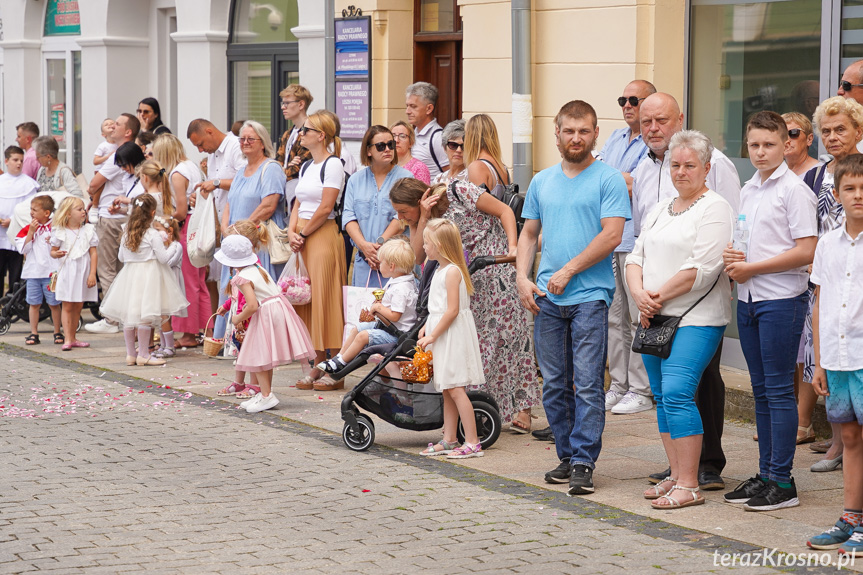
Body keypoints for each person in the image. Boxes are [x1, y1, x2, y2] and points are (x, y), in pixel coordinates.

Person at [516, 100, 630, 495]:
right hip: (547, 298)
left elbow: (612, 235)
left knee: (586, 383)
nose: (576, 138)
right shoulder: (543, 181)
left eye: (584, 131)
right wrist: (521, 277)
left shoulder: (608, 179)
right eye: (570, 131)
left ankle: (584, 460)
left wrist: (568, 270)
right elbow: (529, 234)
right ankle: (566, 455)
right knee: (554, 383)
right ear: (557, 132)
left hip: (590, 296)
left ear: (595, 133)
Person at [634, 92, 740, 491]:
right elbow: (635, 254)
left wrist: (653, 294)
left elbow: (703, 264)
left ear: (705, 168)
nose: (680, 171)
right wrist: (640, 295)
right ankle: (677, 473)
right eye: (676, 165)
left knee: (682, 391)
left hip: (695, 314)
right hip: (654, 313)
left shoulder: (715, 203)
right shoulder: (661, 203)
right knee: (664, 396)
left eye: (689, 166)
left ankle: (694, 477)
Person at [721, 111, 817, 511]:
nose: (760, 152)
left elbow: (806, 250)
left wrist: (752, 267)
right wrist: (734, 256)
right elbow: (748, 239)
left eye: (769, 145)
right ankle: (765, 474)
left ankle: (783, 481)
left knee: (779, 392)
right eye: (754, 145)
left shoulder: (794, 190)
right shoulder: (749, 188)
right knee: (761, 390)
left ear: (786, 145)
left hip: (780, 299)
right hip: (748, 299)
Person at [462, 113, 541, 432]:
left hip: (489, 258)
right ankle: (521, 408)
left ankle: (482, 401)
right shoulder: (500, 167)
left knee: (486, 334)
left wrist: (508, 244)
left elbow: (496, 211)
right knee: (515, 335)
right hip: (506, 263)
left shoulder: (476, 168)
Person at [799, 96, 863, 471]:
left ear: (858, 130)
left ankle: (844, 446)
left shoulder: (860, 175)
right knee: (823, 358)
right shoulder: (815, 175)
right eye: (826, 131)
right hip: (825, 269)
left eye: (841, 129)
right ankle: (840, 440)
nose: (833, 137)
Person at [806, 154, 863, 556]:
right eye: (850, 188)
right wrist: (820, 360)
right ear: (837, 193)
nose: (858, 195)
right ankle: (851, 517)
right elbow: (820, 301)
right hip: (838, 358)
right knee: (849, 436)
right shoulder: (827, 242)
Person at [600, 80, 655, 416]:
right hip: (611, 237)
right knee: (613, 317)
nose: (628, 105)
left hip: (636, 240)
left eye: (635, 99)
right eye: (623, 99)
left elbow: (632, 184)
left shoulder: (652, 143)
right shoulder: (616, 138)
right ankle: (618, 384)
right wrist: (613, 177)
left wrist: (609, 176)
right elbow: (610, 179)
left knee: (637, 318)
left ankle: (640, 388)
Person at [215, 234, 315, 414]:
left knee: (258, 355)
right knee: (266, 355)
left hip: (265, 313)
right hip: (277, 309)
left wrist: (237, 318)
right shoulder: (258, 268)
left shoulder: (241, 277)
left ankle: (267, 395)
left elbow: (252, 305)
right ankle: (264, 393)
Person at [287, 111, 348, 392]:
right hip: (303, 233)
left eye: (306, 130)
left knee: (326, 298)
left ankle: (335, 366)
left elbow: (326, 207)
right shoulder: (307, 166)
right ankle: (317, 361)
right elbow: (298, 203)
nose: (301, 134)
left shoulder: (333, 164)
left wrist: (301, 233)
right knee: (308, 300)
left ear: (321, 135)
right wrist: (291, 231)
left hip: (321, 234)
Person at [417, 218, 485, 459]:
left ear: (440, 245)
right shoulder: (438, 269)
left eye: (427, 242)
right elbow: (437, 307)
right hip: (440, 333)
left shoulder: (453, 272)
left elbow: (452, 310)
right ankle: (450, 438)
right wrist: (426, 327)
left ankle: (473, 442)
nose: (424, 246)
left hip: (451, 335)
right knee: (446, 388)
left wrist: (434, 333)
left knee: (456, 388)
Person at [215, 121, 286, 343]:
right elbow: (230, 202)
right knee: (233, 291)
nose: (245, 143)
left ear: (262, 143)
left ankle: (261, 341)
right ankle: (233, 340)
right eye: (242, 139)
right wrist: (226, 228)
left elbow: (269, 205)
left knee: (254, 292)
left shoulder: (271, 168)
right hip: (235, 242)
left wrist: (242, 229)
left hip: (256, 241)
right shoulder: (241, 170)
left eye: (250, 139)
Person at [98, 194, 188, 367]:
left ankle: (131, 354)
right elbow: (163, 259)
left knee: (130, 315)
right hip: (150, 275)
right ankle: (144, 354)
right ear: (153, 212)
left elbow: (121, 257)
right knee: (145, 316)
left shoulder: (126, 232)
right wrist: (174, 247)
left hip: (130, 275)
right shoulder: (152, 234)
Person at [319, 239, 418, 373]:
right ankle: (339, 358)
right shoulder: (397, 281)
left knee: (363, 336)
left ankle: (342, 363)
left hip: (397, 333)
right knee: (357, 329)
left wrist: (379, 308)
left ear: (392, 266)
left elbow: (395, 316)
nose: (379, 264)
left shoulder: (401, 289)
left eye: (381, 262)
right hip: (388, 326)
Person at [85, 113, 141, 334]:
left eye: (117, 124)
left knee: (106, 268)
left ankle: (111, 318)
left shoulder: (119, 154)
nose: (112, 127)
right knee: (119, 269)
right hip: (123, 213)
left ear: (127, 132)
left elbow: (94, 183)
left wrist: (94, 198)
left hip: (111, 216)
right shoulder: (126, 153)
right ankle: (123, 316)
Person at [152, 133, 207, 349]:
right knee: (199, 282)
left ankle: (189, 333)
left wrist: (162, 219)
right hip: (199, 226)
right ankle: (205, 328)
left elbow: (182, 211)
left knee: (187, 283)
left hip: (188, 228)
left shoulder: (176, 173)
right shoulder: (192, 166)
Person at [342, 125, 412, 287]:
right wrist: (364, 247)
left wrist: (380, 246)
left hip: (396, 261)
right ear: (368, 151)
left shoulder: (406, 178)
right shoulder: (355, 179)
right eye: (381, 146)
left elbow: (402, 218)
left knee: (395, 309)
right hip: (365, 260)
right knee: (364, 310)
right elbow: (348, 217)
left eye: (391, 144)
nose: (387, 149)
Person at [215, 220, 274, 400]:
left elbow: (249, 301)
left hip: (247, 317)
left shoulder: (249, 269)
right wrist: (226, 307)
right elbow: (236, 295)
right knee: (242, 352)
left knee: (252, 353)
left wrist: (240, 318)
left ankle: (254, 385)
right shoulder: (240, 267)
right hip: (239, 314)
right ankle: (239, 382)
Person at [49, 196, 98, 351]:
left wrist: (92, 274)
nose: (83, 211)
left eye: (84, 209)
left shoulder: (88, 230)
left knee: (78, 305)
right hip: (68, 272)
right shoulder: (60, 232)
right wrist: (55, 254)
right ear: (68, 214)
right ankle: (68, 338)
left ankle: (74, 337)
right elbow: (53, 251)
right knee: (67, 305)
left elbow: (94, 253)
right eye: (79, 209)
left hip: (82, 272)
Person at [14, 195, 62, 345]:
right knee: (33, 303)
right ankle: (34, 333)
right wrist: (31, 233)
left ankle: (57, 331)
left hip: (51, 272)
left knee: (54, 303)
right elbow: (23, 248)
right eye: (31, 209)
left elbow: (59, 245)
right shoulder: (28, 229)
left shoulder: (55, 228)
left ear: (46, 213)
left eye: (35, 210)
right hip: (33, 272)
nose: (31, 212)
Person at [0, 146, 39, 294]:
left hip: (17, 232)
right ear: (6, 161)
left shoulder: (28, 184)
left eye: (21, 161)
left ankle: (12, 302)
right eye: (15, 160)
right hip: (0, 231)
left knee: (15, 271)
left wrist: (12, 220)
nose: (19, 163)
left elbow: (30, 208)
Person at [275, 84, 314, 211]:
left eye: (287, 103)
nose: (282, 107)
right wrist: (286, 167)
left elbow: (297, 171)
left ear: (301, 105)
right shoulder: (287, 134)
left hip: (301, 201)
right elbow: (275, 166)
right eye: (283, 103)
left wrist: (284, 169)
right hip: (285, 199)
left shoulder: (311, 133)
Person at [405, 82, 449, 179]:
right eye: (407, 106)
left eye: (413, 106)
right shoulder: (412, 134)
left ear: (429, 109)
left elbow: (451, 174)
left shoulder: (438, 138)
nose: (407, 111)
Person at [782, 112, 820, 177]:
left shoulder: (821, 172)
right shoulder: (773, 173)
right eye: (782, 135)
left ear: (809, 139)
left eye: (793, 133)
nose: (787, 139)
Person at [431, 120, 466, 186]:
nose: (458, 150)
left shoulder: (472, 176)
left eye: (463, 146)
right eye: (453, 145)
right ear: (444, 148)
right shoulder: (439, 178)